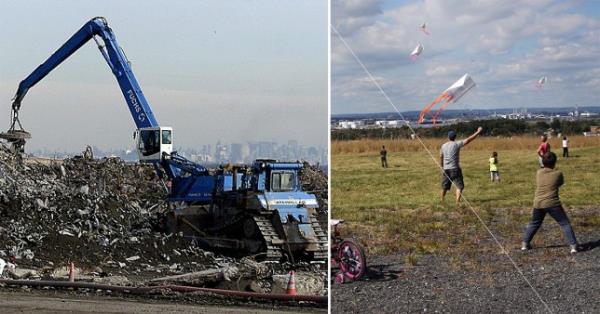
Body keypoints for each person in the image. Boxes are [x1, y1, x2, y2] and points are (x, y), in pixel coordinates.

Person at [521, 151, 579, 253]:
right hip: (553, 203)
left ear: (542, 163)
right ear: (555, 162)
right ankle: (573, 246)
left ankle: (524, 244)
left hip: (538, 203)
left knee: (534, 223)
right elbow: (560, 183)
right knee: (565, 224)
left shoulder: (538, 173)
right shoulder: (558, 174)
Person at [440, 127, 483, 203]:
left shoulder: (443, 146)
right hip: (455, 169)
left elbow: (441, 156)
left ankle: (442, 200)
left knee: (445, 186)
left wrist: (442, 166)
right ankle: (457, 202)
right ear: (455, 137)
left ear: (448, 137)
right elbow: (469, 139)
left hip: (446, 169)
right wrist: (478, 132)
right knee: (459, 186)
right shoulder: (457, 144)